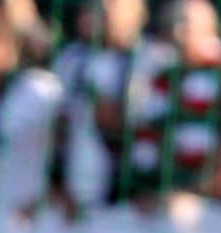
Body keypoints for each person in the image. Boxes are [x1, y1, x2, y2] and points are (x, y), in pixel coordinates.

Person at [122, 0, 221, 203]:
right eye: (172, 22)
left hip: (213, 201)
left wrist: (195, 192)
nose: (178, 30)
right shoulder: (156, 74)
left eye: (186, 23)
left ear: (211, 28)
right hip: (160, 195)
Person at [53, 0, 169, 209]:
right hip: (72, 192)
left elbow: (155, 126)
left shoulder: (160, 60)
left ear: (140, 12)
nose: (105, 10)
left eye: (116, 5)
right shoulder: (71, 58)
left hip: (137, 197)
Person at [0, 11, 68, 219]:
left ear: (13, 45)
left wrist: (53, 190)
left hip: (26, 216)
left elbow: (64, 142)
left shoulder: (40, 89)